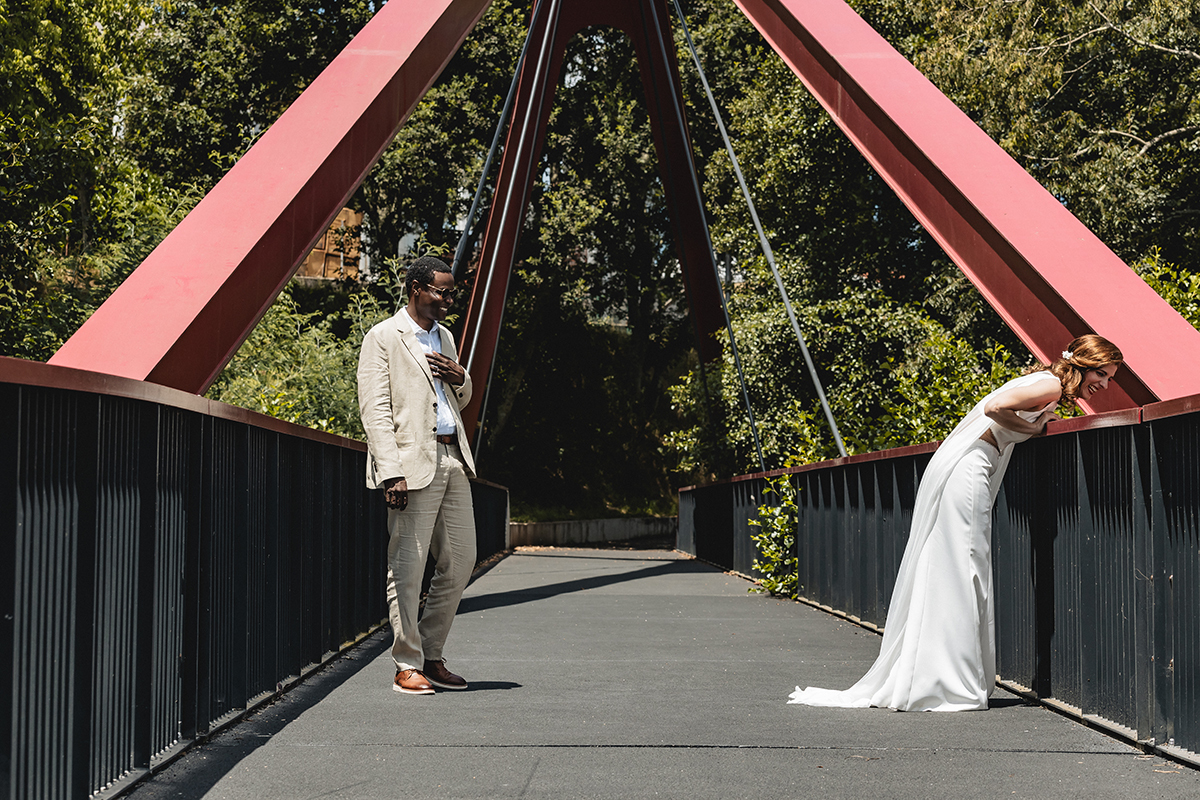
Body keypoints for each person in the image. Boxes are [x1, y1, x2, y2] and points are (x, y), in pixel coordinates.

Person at [787, 334, 1123, 711]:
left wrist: (1036, 422)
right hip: (971, 470)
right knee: (966, 568)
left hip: (973, 468)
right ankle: (949, 680)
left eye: (1109, 378)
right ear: (1082, 365)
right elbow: (997, 408)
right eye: (1103, 375)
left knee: (957, 568)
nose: (1105, 385)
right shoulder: (1048, 384)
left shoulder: (1047, 385)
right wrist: (1036, 428)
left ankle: (945, 675)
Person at [357, 256, 477, 695]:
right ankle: (406, 664)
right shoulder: (384, 337)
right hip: (410, 465)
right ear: (415, 289)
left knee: (462, 560)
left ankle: (431, 653)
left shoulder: (444, 337)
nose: (448, 300)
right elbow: (376, 410)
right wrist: (390, 473)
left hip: (452, 459)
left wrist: (462, 378)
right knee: (408, 567)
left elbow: (455, 402)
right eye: (441, 292)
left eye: (451, 293)